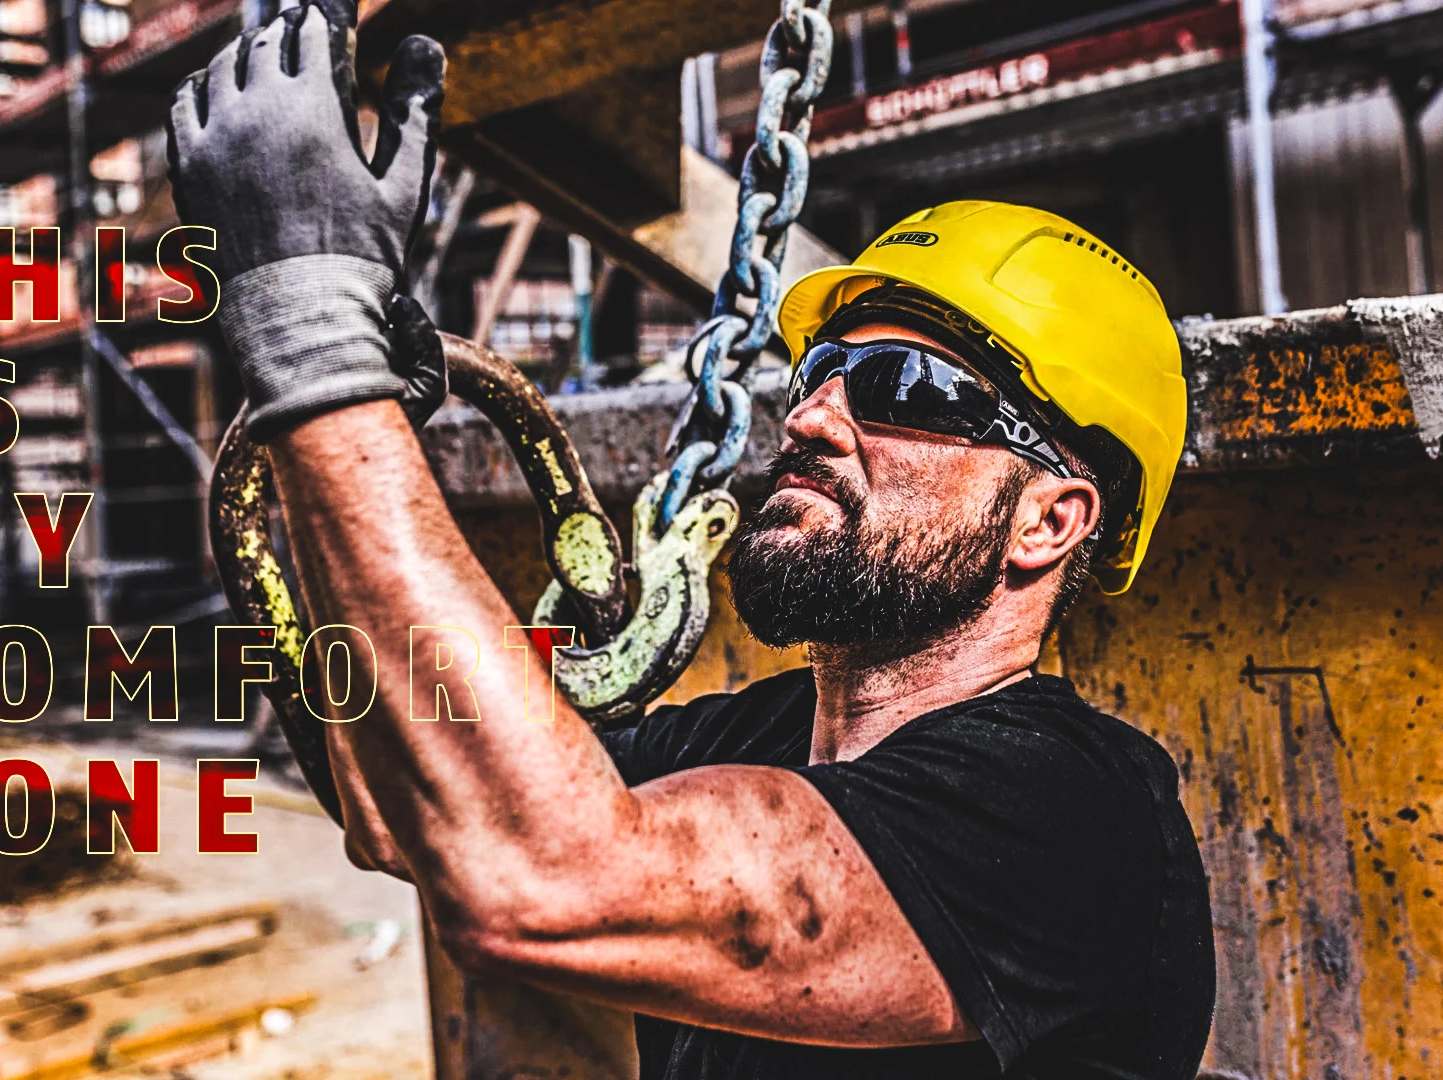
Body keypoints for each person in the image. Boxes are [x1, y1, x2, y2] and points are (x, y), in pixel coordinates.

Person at [168, 6, 1214, 1077]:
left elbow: (537, 875)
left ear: (1048, 521)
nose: (809, 418)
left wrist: (320, 351)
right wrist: (328, 435)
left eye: (906, 386)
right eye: (819, 373)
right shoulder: (749, 741)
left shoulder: (1075, 817)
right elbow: (414, 808)